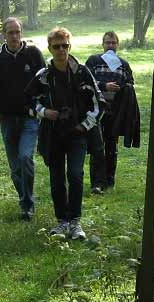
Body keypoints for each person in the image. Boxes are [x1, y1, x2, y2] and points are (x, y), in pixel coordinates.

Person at [25, 27, 101, 240]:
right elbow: (29, 101)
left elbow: (99, 102)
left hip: (77, 134)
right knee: (57, 178)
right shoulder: (43, 76)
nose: (61, 50)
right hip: (52, 134)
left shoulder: (83, 72)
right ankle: (62, 222)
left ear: (70, 46)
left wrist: (84, 125)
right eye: (56, 46)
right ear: (49, 48)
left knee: (75, 175)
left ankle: (75, 222)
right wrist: (44, 112)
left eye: (64, 46)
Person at [0, 17, 46, 221]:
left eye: (17, 32)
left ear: (22, 33)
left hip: (29, 118)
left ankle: (27, 205)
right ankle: (24, 197)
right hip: (8, 119)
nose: (15, 36)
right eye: (10, 32)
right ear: (3, 34)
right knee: (15, 168)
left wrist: (43, 108)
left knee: (26, 157)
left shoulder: (33, 53)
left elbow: (45, 81)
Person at [85, 31, 139, 193]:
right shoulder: (94, 60)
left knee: (111, 146)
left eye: (113, 43)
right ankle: (97, 183)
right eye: (108, 43)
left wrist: (122, 89)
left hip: (115, 112)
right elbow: (86, 81)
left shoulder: (123, 64)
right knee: (97, 146)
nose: (110, 45)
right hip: (96, 110)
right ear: (103, 44)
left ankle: (109, 180)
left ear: (118, 45)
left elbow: (130, 84)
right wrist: (104, 86)